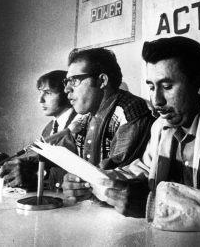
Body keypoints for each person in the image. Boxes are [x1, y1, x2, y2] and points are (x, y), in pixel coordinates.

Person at [64, 36, 200, 231]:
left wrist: (154, 204)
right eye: (151, 86)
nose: (156, 100)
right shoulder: (161, 125)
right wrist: (94, 181)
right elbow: (144, 168)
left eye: (167, 86)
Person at [62, 47, 154, 202]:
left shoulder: (131, 110)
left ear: (102, 81)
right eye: (67, 81)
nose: (66, 89)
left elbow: (113, 177)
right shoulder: (82, 117)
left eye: (74, 80)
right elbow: (64, 163)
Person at [0, 70, 77, 190]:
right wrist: (10, 163)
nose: (40, 100)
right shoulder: (49, 128)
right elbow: (41, 162)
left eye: (47, 93)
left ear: (66, 93)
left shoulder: (80, 123)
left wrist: (37, 174)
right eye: (40, 92)